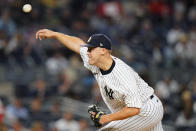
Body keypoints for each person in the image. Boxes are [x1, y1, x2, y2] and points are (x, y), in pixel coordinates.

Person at [36, 29, 164, 131]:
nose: (88, 52)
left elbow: (135, 108)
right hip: (137, 111)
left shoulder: (122, 75)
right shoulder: (94, 60)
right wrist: (55, 34)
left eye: (91, 49)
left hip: (146, 109)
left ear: (103, 50)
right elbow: (77, 44)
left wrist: (106, 118)